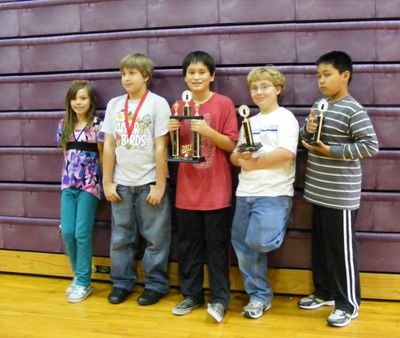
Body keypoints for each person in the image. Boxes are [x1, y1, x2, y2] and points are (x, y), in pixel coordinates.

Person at [298, 51, 379, 327]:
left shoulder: (353, 109)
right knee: (321, 248)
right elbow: (306, 138)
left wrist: (332, 151)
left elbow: (370, 146)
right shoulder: (321, 104)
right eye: (318, 75)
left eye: (327, 74)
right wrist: (307, 131)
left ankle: (348, 304)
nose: (321, 81)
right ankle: (325, 293)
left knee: (342, 252)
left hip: (340, 196)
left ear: (345, 76)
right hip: (317, 191)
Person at [169, 51, 238, 323]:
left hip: (217, 192)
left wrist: (208, 131)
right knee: (188, 246)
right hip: (186, 192)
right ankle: (192, 294)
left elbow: (232, 145)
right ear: (185, 77)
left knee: (217, 247)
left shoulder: (224, 104)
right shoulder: (178, 106)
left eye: (201, 72)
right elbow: (173, 150)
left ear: (212, 76)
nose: (196, 77)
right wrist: (171, 129)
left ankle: (220, 299)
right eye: (191, 72)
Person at [101, 53, 171, 306]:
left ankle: (155, 285)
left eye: (132, 73)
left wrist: (160, 185)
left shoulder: (158, 104)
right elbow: (108, 146)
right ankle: (121, 283)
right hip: (120, 183)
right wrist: (107, 182)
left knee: (155, 239)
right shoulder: (114, 104)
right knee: (121, 238)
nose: (126, 78)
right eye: (123, 73)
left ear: (146, 76)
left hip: (148, 182)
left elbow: (161, 146)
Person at [230, 66, 299, 319]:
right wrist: (240, 158)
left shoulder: (286, 118)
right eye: (254, 88)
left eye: (265, 86)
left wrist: (252, 163)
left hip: (274, 194)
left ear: (278, 89)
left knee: (259, 242)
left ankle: (278, 225)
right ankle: (259, 296)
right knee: (244, 248)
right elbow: (235, 155)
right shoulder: (250, 121)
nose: (259, 92)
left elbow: (286, 153)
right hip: (244, 193)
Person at [56, 80, 104, 303]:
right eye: (75, 98)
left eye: (83, 98)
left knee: (81, 233)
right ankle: (79, 275)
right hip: (68, 184)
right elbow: (66, 153)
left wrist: (104, 180)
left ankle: (84, 282)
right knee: (67, 232)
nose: (78, 102)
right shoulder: (63, 125)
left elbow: (103, 155)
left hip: (89, 185)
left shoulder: (97, 125)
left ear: (91, 101)